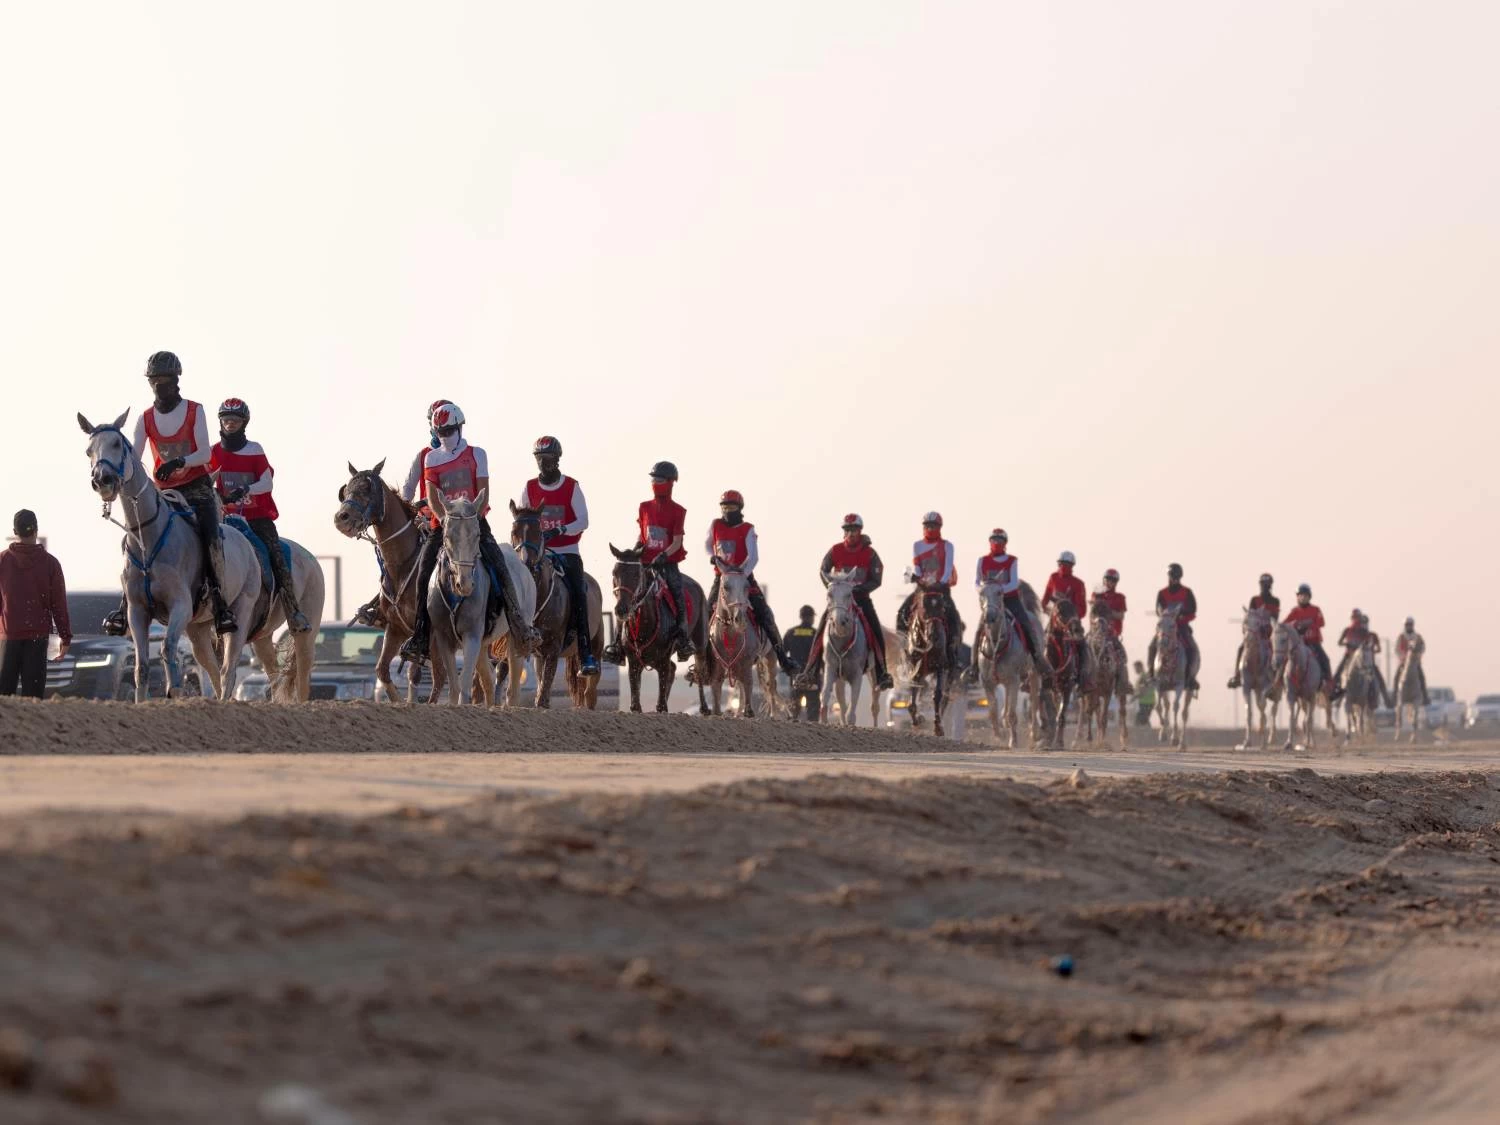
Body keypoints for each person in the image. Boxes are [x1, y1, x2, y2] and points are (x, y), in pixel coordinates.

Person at [103, 351, 236, 636]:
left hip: (196, 488)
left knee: (211, 536)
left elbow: (204, 453)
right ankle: (125, 604)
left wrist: (178, 462)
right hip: (163, 492)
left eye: (164, 380)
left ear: (176, 381)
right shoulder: (145, 419)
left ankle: (219, 601)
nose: (159, 386)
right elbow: (135, 456)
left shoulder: (194, 411)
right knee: (132, 538)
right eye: (154, 380)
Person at [400, 403, 537, 662]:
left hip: (475, 522)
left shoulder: (477, 454)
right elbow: (433, 496)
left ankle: (519, 626)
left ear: (460, 428)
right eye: (441, 432)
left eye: (450, 431)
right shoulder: (431, 458)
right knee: (422, 574)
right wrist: (445, 520)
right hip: (444, 525)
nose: (446, 436)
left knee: (501, 566)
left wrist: (471, 517)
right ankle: (420, 635)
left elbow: (483, 492)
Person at [209, 398, 310, 632]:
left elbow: (267, 482)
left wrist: (246, 489)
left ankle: (293, 611)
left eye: (235, 420)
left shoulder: (254, 450)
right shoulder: (213, 451)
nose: (230, 424)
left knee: (277, 555)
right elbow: (206, 479)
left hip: (256, 518)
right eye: (226, 419)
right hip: (225, 519)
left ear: (244, 422)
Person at [353, 399, 452, 626]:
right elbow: (408, 489)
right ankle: (385, 604)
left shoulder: (463, 455)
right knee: (390, 550)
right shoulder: (424, 455)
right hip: (425, 519)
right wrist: (411, 509)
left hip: (454, 519)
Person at [517, 435, 599, 677]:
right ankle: (503, 646)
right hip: (537, 553)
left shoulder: (571, 486)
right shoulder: (529, 487)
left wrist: (561, 529)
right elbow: (522, 518)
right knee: (512, 588)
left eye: (548, 458)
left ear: (557, 459)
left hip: (567, 551)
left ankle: (586, 655)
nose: (543, 463)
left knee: (579, 594)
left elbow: (583, 520)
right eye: (539, 458)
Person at [603, 461, 695, 663]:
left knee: (678, 594)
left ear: (671, 482)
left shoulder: (678, 511)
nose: (656, 483)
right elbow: (643, 535)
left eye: (660, 480)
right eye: (654, 479)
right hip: (644, 562)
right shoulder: (644, 507)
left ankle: (683, 639)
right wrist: (636, 549)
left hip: (667, 563)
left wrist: (663, 555)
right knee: (627, 595)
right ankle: (618, 644)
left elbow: (677, 541)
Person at [798, 514, 895, 692]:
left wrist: (860, 589)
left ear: (860, 531)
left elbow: (877, 579)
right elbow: (823, 570)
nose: (851, 533)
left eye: (854, 530)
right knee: (820, 630)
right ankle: (809, 672)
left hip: (862, 599)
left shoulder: (870, 553)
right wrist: (834, 589)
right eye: (848, 530)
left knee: (875, 630)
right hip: (840, 602)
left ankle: (882, 674)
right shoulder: (835, 550)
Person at [704, 490, 797, 675]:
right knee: (706, 613)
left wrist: (741, 574)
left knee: (765, 614)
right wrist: (713, 557)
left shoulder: (747, 529)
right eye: (724, 507)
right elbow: (708, 545)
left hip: (744, 578)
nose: (727, 511)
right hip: (722, 579)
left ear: (739, 508)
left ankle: (782, 658)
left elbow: (753, 557)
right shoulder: (715, 525)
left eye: (731, 507)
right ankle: (703, 663)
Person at [0, 510, 71, 698]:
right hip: (37, 638)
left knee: (3, 699)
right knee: (33, 699)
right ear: (36, 530)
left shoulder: (2, 561)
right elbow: (58, 605)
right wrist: (65, 637)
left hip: (7, 637)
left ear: (15, 531)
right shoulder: (50, 564)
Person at [964, 529, 1047, 685]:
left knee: (1026, 623)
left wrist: (998, 590)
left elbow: (1013, 583)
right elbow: (976, 582)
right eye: (994, 540)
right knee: (979, 630)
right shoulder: (982, 561)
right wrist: (985, 590)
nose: (997, 543)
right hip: (991, 602)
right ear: (990, 542)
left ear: (1005, 543)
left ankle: (1038, 659)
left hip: (1010, 599)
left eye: (1000, 540)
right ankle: (974, 666)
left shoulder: (1011, 561)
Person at [895, 512, 963, 667]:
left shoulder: (947, 546)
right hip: (923, 590)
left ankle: (952, 652)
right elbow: (918, 568)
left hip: (941, 589)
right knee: (902, 611)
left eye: (934, 526)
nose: (930, 529)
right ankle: (904, 650)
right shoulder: (917, 545)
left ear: (940, 527)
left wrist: (940, 583)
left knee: (953, 614)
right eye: (927, 526)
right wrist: (920, 580)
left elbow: (948, 569)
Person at [1042, 551, 1093, 690]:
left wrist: (1072, 617)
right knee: (1038, 642)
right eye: (1061, 564)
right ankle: (1031, 677)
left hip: (1072, 623)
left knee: (1083, 646)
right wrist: (1050, 611)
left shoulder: (1078, 584)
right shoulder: (1053, 578)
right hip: (1054, 622)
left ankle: (1084, 679)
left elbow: (1082, 609)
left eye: (1067, 564)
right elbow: (1045, 600)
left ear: (1072, 566)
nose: (1063, 567)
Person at [1148, 562, 1200, 693]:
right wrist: (1167, 616)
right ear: (1169, 576)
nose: (1175, 579)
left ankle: (1190, 677)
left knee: (1192, 648)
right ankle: (1151, 675)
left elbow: (1193, 610)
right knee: (1152, 646)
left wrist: (1182, 616)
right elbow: (1158, 610)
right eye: (1173, 576)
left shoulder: (1187, 592)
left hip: (1181, 627)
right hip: (1166, 628)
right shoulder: (1162, 593)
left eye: (1177, 577)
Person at [1227, 573, 1280, 689]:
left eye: (1267, 585)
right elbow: (1250, 616)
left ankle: (1277, 680)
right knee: (1241, 648)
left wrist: (1267, 626)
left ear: (1270, 586)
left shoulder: (1275, 601)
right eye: (1263, 584)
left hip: (1269, 635)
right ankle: (1237, 676)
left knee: (1277, 653)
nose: (1264, 587)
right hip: (1256, 634)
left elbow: (1275, 618)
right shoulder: (1254, 600)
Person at [1333, 610, 1392, 707]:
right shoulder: (1347, 630)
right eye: (1355, 618)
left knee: (1377, 677)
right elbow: (1339, 642)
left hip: (1366, 660)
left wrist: (1371, 650)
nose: (1362, 624)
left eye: (1364, 622)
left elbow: (1373, 647)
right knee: (1339, 673)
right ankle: (1336, 696)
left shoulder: (1369, 634)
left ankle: (1385, 699)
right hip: (1349, 656)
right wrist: (1347, 644)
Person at [1283, 584, 1334, 694]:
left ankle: (1330, 685)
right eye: (1300, 595)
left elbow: (1321, 622)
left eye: (1305, 596)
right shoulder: (1294, 611)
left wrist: (1309, 624)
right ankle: (1278, 683)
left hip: (1313, 642)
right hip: (1298, 644)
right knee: (1282, 659)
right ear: (1297, 597)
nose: (1303, 598)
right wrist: (1295, 624)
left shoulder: (1315, 610)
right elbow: (1284, 624)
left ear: (1309, 597)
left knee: (1325, 659)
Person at [783, 607, 820, 721]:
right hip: (812, 678)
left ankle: (791, 727)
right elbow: (822, 656)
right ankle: (813, 729)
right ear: (812, 617)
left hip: (796, 677)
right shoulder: (816, 634)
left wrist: (788, 669)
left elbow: (782, 654)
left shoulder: (791, 633)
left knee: (793, 710)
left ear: (801, 616)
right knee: (813, 712)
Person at [1396, 617, 1429, 706]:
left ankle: (1425, 697)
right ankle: (1394, 697)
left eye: (1410, 625)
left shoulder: (1418, 637)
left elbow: (1423, 647)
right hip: (1403, 663)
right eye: (1407, 625)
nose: (1409, 626)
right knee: (1396, 678)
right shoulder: (1401, 637)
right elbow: (1397, 649)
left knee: (1421, 677)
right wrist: (1402, 657)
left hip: (1415, 663)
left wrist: (1418, 655)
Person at [1133, 661, 1156, 726]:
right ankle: (1149, 731)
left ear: (1140, 667)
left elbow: (1144, 690)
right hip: (1145, 702)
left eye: (1136, 668)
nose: (1135, 670)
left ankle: (1150, 731)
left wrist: (1134, 697)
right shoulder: (1142, 676)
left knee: (1140, 720)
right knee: (1143, 720)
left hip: (1147, 702)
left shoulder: (1144, 677)